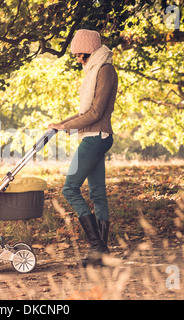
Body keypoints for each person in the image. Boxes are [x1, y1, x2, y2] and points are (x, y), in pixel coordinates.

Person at [48, 29, 118, 267]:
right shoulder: (96, 69)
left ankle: (98, 247)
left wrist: (65, 127)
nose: (80, 60)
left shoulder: (105, 70)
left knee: (69, 189)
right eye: (77, 56)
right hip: (94, 136)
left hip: (96, 137)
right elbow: (84, 113)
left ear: (93, 51)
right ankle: (102, 254)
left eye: (82, 56)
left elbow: (96, 112)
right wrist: (61, 124)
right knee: (97, 194)